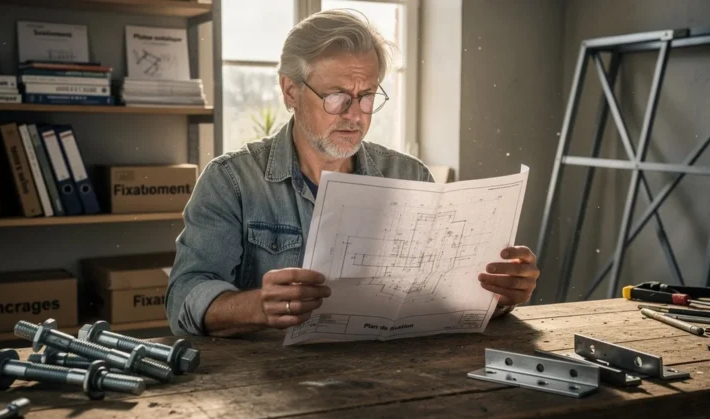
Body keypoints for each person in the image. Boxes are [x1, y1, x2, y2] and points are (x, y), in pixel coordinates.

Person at [165, 9, 540, 338]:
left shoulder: (408, 175)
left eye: (367, 96)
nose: (356, 114)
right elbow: (183, 297)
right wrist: (258, 307)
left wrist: (498, 294)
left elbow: (439, 300)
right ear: (290, 91)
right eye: (337, 96)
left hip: (393, 380)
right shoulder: (231, 181)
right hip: (268, 385)